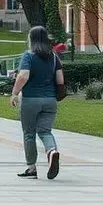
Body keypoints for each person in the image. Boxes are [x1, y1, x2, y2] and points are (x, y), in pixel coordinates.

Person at [10, 27, 63, 180]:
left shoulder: (28, 56)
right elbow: (60, 80)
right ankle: (52, 151)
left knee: (29, 133)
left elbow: (23, 75)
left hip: (30, 100)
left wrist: (14, 93)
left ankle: (31, 167)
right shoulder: (54, 57)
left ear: (31, 39)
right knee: (45, 131)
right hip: (50, 100)